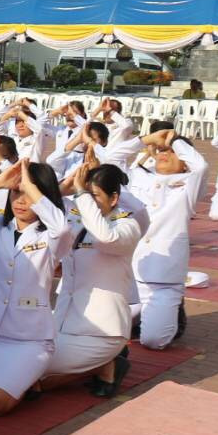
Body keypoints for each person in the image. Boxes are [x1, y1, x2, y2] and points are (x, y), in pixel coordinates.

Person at [0, 161, 72, 416]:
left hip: (28, 339)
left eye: (29, 194)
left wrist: (30, 186)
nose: (21, 201)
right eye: (16, 193)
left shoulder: (51, 235)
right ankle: (28, 382)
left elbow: (60, 227)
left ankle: (35, 381)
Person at [41, 163, 145, 397]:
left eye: (94, 196)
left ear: (114, 198)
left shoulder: (127, 226)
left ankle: (105, 363)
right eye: (84, 196)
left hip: (101, 330)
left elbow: (105, 238)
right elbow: (44, 208)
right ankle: (101, 366)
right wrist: (65, 188)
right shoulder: (78, 219)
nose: (86, 201)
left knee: (33, 376)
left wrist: (81, 194)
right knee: (24, 369)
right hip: (64, 322)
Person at [127, 127, 206, 349]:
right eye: (161, 150)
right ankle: (139, 317)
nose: (165, 153)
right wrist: (145, 140)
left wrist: (176, 140)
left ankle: (173, 312)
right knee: (99, 330)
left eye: (172, 152)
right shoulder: (138, 176)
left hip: (164, 280)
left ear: (184, 162)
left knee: (153, 341)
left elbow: (200, 166)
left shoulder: (189, 185)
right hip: (131, 274)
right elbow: (112, 156)